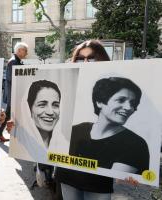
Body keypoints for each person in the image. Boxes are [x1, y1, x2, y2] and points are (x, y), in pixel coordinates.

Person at [55, 40, 139, 200]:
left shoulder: (120, 85)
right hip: (68, 171)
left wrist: (133, 175)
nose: (86, 62)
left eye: (92, 57)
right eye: (80, 58)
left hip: (98, 177)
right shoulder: (66, 86)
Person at [70, 77, 149, 173]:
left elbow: (112, 185)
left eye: (132, 103)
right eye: (121, 100)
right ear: (99, 102)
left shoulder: (135, 144)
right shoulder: (75, 131)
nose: (129, 108)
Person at [0, 42, 28, 142]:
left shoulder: (17, 61)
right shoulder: (13, 62)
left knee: (9, 114)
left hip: (15, 93)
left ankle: (0, 134)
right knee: (8, 114)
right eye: (25, 50)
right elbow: (11, 78)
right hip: (13, 93)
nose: (27, 53)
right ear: (19, 50)